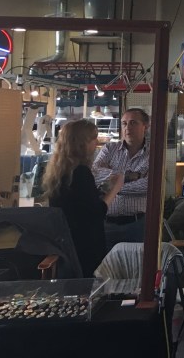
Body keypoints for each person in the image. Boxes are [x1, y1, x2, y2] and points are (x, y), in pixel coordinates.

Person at [44, 119, 123, 277]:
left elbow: (77, 205)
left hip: (67, 242)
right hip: (86, 243)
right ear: (82, 143)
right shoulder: (81, 172)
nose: (96, 143)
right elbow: (96, 213)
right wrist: (116, 187)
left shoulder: (58, 171)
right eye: (93, 139)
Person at [92, 107, 152, 246]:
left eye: (133, 123)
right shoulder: (109, 149)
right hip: (107, 224)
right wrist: (129, 177)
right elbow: (94, 174)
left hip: (136, 225)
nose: (127, 128)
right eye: (124, 123)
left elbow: (148, 186)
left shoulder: (153, 153)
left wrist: (112, 186)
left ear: (145, 126)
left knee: (136, 260)